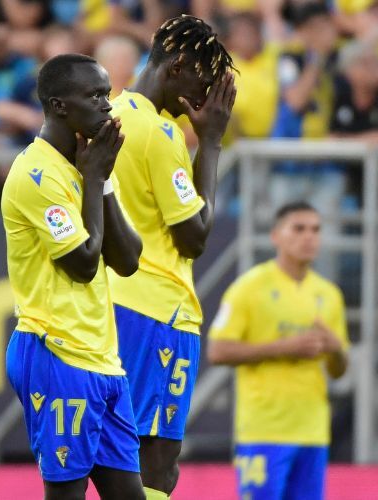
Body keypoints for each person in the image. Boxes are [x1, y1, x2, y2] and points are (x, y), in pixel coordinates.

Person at [105, 15, 236, 500]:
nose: (206, 100)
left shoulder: (112, 112)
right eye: (205, 83)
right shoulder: (160, 135)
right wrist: (214, 140)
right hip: (158, 308)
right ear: (178, 66)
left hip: (114, 301)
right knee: (157, 462)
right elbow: (195, 236)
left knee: (119, 455)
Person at [2, 53, 143, 500]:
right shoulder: (35, 174)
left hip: (101, 357)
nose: (109, 105)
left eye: (108, 94)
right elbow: (83, 264)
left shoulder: (88, 161)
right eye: (96, 95)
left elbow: (127, 259)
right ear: (60, 105)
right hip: (56, 351)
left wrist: (99, 180)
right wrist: (94, 178)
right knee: (66, 494)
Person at [208, 202, 348, 500]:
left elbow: (338, 370)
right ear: (276, 236)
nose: (308, 237)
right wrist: (282, 347)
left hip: (313, 431)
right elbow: (217, 350)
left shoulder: (329, 295)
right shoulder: (249, 287)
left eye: (315, 230)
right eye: (298, 229)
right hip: (264, 430)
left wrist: (336, 349)